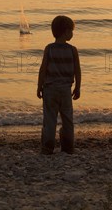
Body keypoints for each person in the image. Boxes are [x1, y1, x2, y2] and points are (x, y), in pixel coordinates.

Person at [37, 15, 81, 154]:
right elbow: (77, 70)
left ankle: (47, 146)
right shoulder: (72, 50)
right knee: (67, 119)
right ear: (66, 32)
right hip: (65, 90)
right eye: (71, 31)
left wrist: (39, 86)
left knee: (50, 119)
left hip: (50, 89)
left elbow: (43, 69)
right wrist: (78, 87)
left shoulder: (49, 48)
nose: (72, 33)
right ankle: (68, 146)